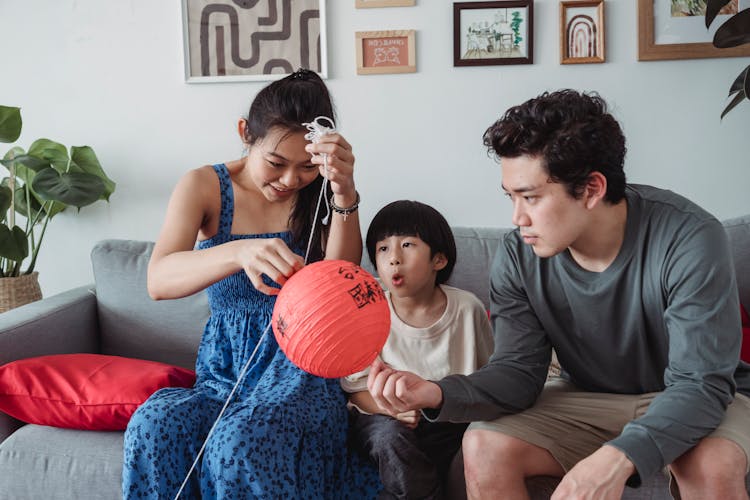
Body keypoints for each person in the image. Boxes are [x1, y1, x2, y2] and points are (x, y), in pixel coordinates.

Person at [367, 90, 750, 499]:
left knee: (712, 465)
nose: (517, 218)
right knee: (483, 444)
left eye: (530, 197)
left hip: (694, 397)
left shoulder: (688, 238)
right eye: (511, 197)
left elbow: (700, 385)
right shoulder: (519, 254)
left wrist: (618, 457)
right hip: (586, 399)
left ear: (591, 189)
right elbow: (518, 373)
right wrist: (437, 391)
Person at [122, 69, 381, 499]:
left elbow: (339, 282)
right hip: (223, 374)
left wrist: (344, 193)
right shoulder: (205, 186)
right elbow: (158, 280)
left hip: (300, 374)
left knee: (240, 440)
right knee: (156, 423)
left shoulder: (317, 193)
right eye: (276, 164)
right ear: (245, 133)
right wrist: (237, 253)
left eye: (306, 168)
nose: (289, 181)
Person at [341, 200, 494, 499]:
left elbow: (490, 381)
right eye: (383, 249)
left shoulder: (467, 308)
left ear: (438, 259)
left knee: (480, 440)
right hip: (382, 418)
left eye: (407, 244)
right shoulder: (369, 312)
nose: (393, 259)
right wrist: (391, 410)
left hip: (450, 421)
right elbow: (354, 391)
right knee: (390, 438)